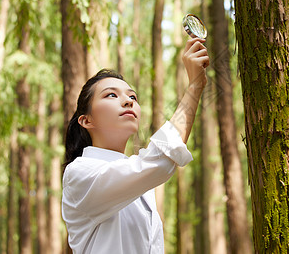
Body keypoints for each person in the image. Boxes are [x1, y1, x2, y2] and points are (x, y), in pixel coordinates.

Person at [61, 37, 209, 254]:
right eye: (111, 95)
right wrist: (195, 86)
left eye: (133, 96)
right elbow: (159, 161)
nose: (129, 101)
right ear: (86, 120)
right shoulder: (79, 174)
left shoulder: (138, 179)